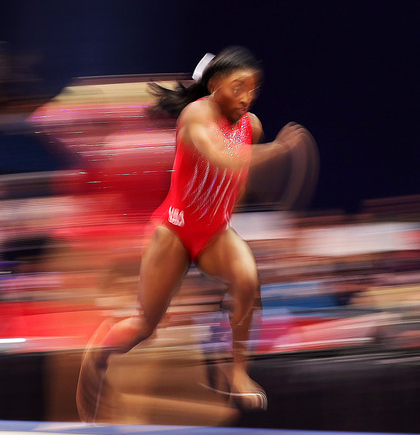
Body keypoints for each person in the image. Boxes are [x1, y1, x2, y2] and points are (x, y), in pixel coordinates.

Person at [76, 46, 313, 422]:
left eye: (253, 89)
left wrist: (231, 213)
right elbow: (220, 157)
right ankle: (98, 358)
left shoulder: (251, 126)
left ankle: (236, 371)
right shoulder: (194, 115)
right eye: (238, 87)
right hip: (173, 230)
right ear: (215, 85)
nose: (247, 97)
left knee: (248, 279)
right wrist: (279, 151)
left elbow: (237, 178)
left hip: (214, 231)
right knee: (145, 326)